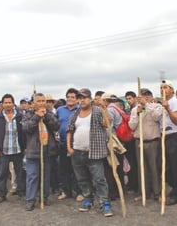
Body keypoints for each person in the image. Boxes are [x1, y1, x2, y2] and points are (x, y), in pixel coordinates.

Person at [66, 88, 113, 217]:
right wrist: (69, 147)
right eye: (79, 98)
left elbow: (107, 123)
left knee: (99, 179)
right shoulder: (75, 114)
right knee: (82, 178)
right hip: (77, 151)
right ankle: (88, 199)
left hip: (94, 152)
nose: (82, 100)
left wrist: (104, 109)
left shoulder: (97, 111)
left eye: (84, 98)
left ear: (90, 99)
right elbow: (69, 131)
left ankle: (104, 202)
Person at [22, 93, 60, 211]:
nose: (42, 103)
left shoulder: (50, 113)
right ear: (33, 103)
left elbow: (56, 126)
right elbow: (26, 128)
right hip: (33, 151)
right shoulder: (28, 114)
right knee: (32, 176)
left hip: (47, 150)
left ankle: (44, 197)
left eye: (43, 100)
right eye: (39, 101)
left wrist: (46, 117)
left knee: (46, 176)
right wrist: (37, 117)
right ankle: (30, 200)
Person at [0, 94, 26, 204]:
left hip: (18, 149)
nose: (7, 105)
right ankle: (1, 194)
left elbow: (24, 133)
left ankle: (21, 192)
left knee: (20, 173)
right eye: (5, 102)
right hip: (4, 150)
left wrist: (25, 147)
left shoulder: (20, 116)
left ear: (13, 103)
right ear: (2, 104)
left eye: (9, 102)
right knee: (2, 173)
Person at [129, 88, 162, 201]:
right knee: (141, 168)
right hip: (139, 141)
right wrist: (138, 113)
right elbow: (131, 126)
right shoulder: (134, 110)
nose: (144, 98)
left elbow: (157, 117)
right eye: (142, 96)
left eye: (147, 96)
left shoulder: (157, 106)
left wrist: (147, 105)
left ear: (150, 97)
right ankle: (144, 192)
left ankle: (157, 193)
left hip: (152, 141)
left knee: (154, 168)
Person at [160, 80, 177, 206]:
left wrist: (168, 108)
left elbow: (176, 120)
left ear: (171, 89)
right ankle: (174, 188)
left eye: (165, 87)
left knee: (176, 167)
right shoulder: (164, 102)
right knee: (167, 167)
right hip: (164, 135)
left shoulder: (174, 102)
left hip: (174, 135)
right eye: (161, 87)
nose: (163, 89)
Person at [56, 88, 83, 201]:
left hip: (77, 144)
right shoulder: (59, 110)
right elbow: (55, 123)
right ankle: (66, 191)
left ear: (77, 100)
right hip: (62, 143)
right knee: (64, 169)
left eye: (73, 97)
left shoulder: (81, 110)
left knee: (77, 169)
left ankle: (79, 192)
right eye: (68, 97)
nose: (70, 99)